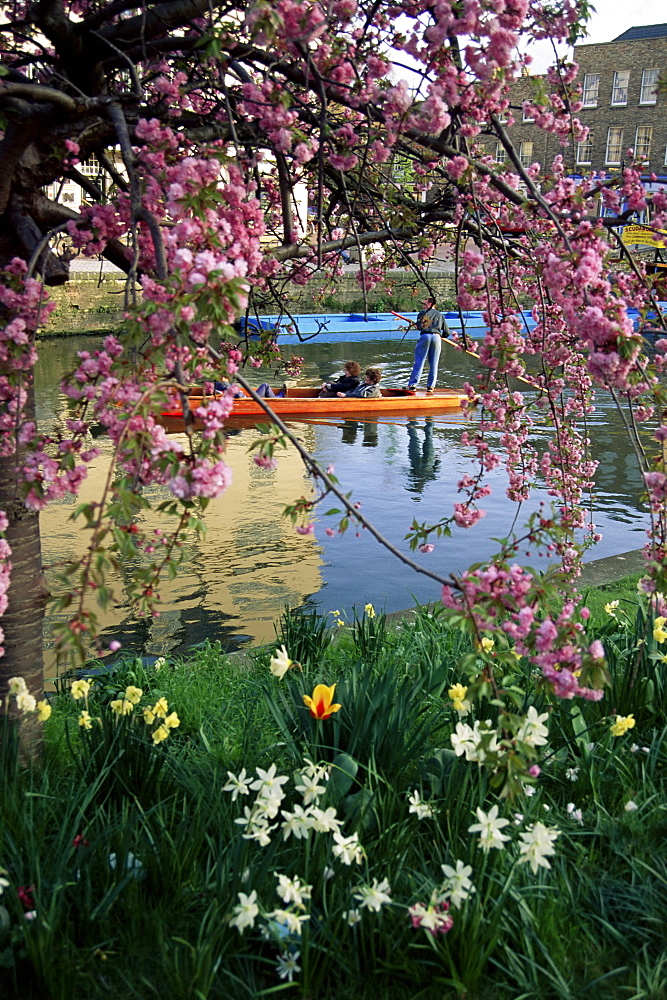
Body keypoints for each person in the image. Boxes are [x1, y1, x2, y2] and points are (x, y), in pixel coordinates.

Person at [407, 296, 449, 394]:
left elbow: (419, 327)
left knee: (419, 361)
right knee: (434, 363)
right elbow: (447, 332)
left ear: (430, 304)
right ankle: (431, 386)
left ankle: (413, 385)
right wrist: (441, 336)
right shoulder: (440, 315)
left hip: (425, 336)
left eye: (424, 303)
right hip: (437, 337)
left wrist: (415, 324)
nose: (423, 305)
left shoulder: (423, 313)